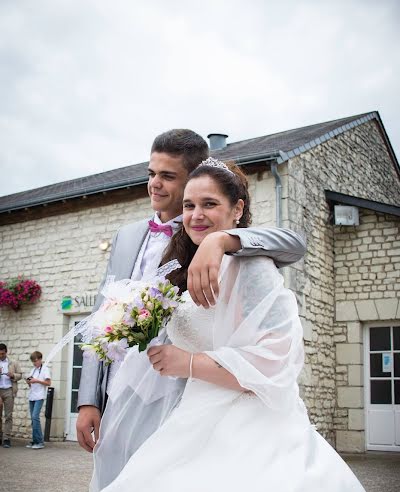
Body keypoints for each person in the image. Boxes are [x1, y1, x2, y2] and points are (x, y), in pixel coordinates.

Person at [28, 160, 400, 492]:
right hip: (193, 418)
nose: (196, 214)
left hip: (251, 427)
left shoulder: (255, 267)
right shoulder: (185, 270)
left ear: (237, 210)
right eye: (189, 205)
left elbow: (273, 365)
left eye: (210, 204)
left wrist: (187, 363)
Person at [76, 128, 306, 457]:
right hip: (122, 390)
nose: (155, 183)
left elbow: (294, 244)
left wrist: (221, 240)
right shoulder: (127, 236)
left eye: (168, 176)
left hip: (188, 395)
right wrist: (88, 400)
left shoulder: (219, 242)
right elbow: (101, 318)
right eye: (151, 173)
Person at [26, 351, 51, 449]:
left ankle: (40, 442)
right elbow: (31, 383)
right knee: (33, 419)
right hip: (32, 396)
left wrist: (36, 380)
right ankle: (35, 441)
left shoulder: (45, 369)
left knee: (35, 417)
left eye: (36, 361)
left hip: (39, 396)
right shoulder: (33, 370)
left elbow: (48, 383)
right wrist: (29, 382)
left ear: (40, 359)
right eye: (33, 362)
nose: (34, 363)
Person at [0, 343, 22, 448]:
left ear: (6, 352)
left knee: (8, 415)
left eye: (2, 354)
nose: (1, 356)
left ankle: (6, 438)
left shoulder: (13, 362)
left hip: (9, 390)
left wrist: (13, 375)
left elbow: (20, 375)